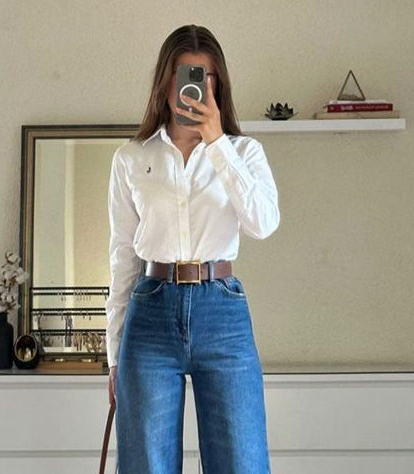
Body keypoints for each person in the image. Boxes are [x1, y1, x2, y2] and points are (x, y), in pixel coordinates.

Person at [105, 24, 279, 474]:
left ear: (217, 85)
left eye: (204, 76)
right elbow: (123, 256)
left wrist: (217, 143)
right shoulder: (131, 157)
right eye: (183, 74)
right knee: (146, 464)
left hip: (222, 311)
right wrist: (114, 355)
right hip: (150, 310)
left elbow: (263, 223)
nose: (192, 87)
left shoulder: (244, 152)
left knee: (243, 461)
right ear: (165, 81)